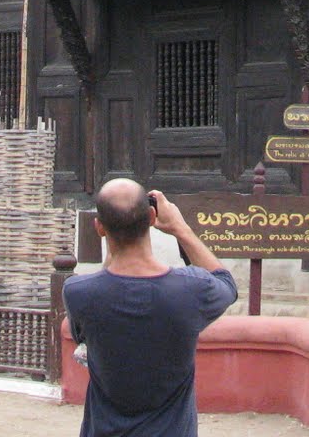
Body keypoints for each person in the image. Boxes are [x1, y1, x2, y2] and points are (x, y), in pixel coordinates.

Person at [64, 178, 237, 437]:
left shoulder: (79, 292)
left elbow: (84, 334)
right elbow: (227, 283)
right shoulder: (191, 289)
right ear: (152, 216)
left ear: (99, 227)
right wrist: (180, 228)